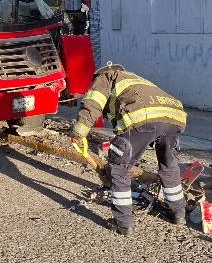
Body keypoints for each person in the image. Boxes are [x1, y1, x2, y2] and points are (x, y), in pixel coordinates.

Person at [71, 62, 187, 235]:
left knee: (119, 169)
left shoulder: (106, 77)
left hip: (143, 118)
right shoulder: (135, 79)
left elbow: (92, 105)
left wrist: (78, 132)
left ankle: (123, 224)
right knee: (169, 166)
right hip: (175, 117)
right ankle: (178, 215)